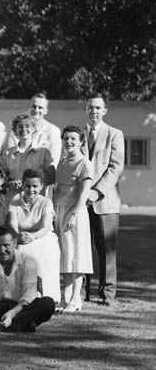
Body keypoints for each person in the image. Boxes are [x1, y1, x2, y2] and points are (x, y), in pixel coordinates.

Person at [83, 96, 124, 306]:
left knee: (106, 249)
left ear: (105, 111)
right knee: (82, 247)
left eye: (98, 108)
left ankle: (107, 294)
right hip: (80, 202)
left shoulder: (115, 134)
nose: (94, 111)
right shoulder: (78, 135)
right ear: (86, 110)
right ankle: (83, 292)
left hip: (105, 202)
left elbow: (115, 168)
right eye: (91, 107)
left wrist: (96, 192)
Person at [54, 126, 93, 313]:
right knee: (65, 256)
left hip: (75, 213)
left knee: (77, 256)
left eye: (73, 139)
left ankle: (76, 298)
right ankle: (65, 298)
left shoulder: (85, 163)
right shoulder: (62, 162)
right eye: (66, 138)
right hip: (60, 211)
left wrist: (74, 214)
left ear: (81, 142)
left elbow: (84, 192)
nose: (69, 142)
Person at [8, 170, 61, 299]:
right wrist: (17, 235)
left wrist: (33, 237)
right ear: (23, 185)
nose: (31, 189)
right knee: (20, 248)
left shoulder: (46, 202)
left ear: (41, 186)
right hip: (21, 235)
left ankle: (46, 295)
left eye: (35, 186)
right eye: (27, 186)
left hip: (42, 236)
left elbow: (46, 227)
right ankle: (23, 293)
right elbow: (12, 223)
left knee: (40, 248)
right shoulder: (15, 200)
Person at [0, 114, 55, 194]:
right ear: (15, 130)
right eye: (20, 127)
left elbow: (51, 179)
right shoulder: (7, 153)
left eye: (27, 126)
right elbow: (2, 178)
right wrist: (10, 183)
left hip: (36, 199)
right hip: (14, 198)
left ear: (33, 129)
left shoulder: (44, 152)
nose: (24, 129)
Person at [27, 93, 62, 164]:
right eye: (34, 106)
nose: (36, 110)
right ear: (29, 108)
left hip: (42, 174)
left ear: (46, 111)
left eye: (40, 108)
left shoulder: (53, 131)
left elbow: (54, 160)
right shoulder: (18, 129)